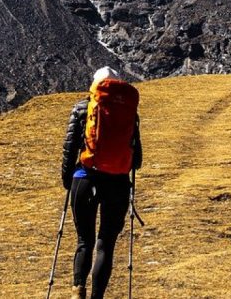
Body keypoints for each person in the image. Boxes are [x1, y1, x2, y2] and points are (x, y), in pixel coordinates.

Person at [61, 66, 143, 299]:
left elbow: (69, 149)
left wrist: (69, 181)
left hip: (85, 178)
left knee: (84, 239)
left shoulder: (82, 108)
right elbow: (137, 160)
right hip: (117, 183)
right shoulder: (129, 112)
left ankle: (78, 290)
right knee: (106, 243)